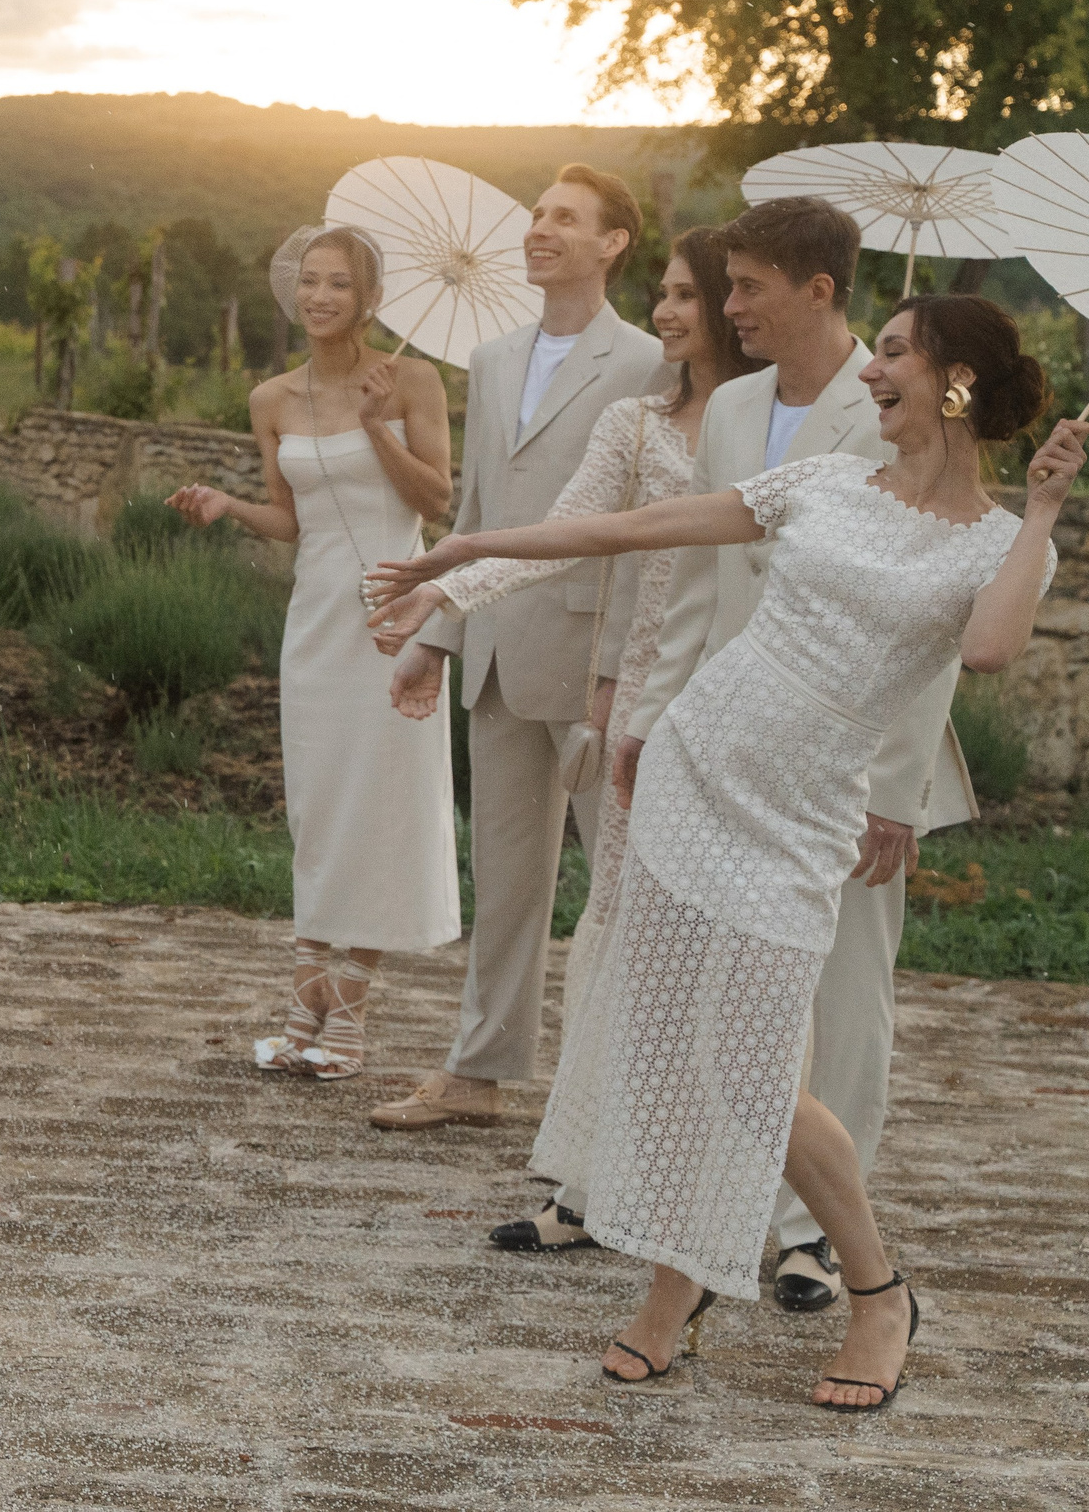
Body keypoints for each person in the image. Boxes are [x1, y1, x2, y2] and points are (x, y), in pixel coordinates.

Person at [366, 292, 1076, 1407]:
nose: (869, 373)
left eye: (891, 355)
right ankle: (673, 1292)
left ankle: (878, 1292)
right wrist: (473, 548)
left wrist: (1039, 512)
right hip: (696, 772)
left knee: (749, 1069)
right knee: (673, 1051)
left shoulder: (993, 543)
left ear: (954, 383)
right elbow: (630, 530)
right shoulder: (826, 482)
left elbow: (986, 651)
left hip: (799, 817)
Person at [614, 196, 973, 1309]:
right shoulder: (726, 407)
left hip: (852, 762)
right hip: (722, 745)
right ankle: (710, 1220)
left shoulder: (902, 405)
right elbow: (698, 586)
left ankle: (816, 1239)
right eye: (723, 286)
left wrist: (896, 796)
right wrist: (650, 717)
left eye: (747, 286)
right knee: (716, 998)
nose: (727, 308)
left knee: (844, 994)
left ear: (819, 289)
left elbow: (939, 639)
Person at [372, 226, 762, 1249]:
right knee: (614, 929)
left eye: (684, 297)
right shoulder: (636, 423)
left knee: (714, 946)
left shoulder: (772, 432)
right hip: (634, 700)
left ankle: (732, 1188)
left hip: (736, 704)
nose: (666, 313)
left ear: (730, 307)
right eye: (663, 295)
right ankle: (586, 1185)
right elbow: (564, 532)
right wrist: (447, 587)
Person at [372, 164, 670, 1132]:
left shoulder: (646, 362)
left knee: (623, 881)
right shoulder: (494, 357)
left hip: (594, 659)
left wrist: (625, 667)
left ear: (612, 242)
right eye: (537, 215)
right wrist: (441, 633)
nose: (539, 229)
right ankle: (477, 1074)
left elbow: (646, 526)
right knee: (503, 880)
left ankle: (626, 1090)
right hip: (496, 649)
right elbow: (476, 513)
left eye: (564, 219)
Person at [166, 226, 459, 1078]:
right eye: (310, 281)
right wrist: (227, 505)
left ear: (370, 298)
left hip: (390, 613)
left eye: (340, 283)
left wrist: (377, 426)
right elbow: (292, 522)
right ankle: (303, 998)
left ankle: (348, 1011)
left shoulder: (411, 381)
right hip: (316, 621)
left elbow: (435, 502)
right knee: (319, 803)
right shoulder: (271, 399)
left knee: (381, 803)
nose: (320, 296)